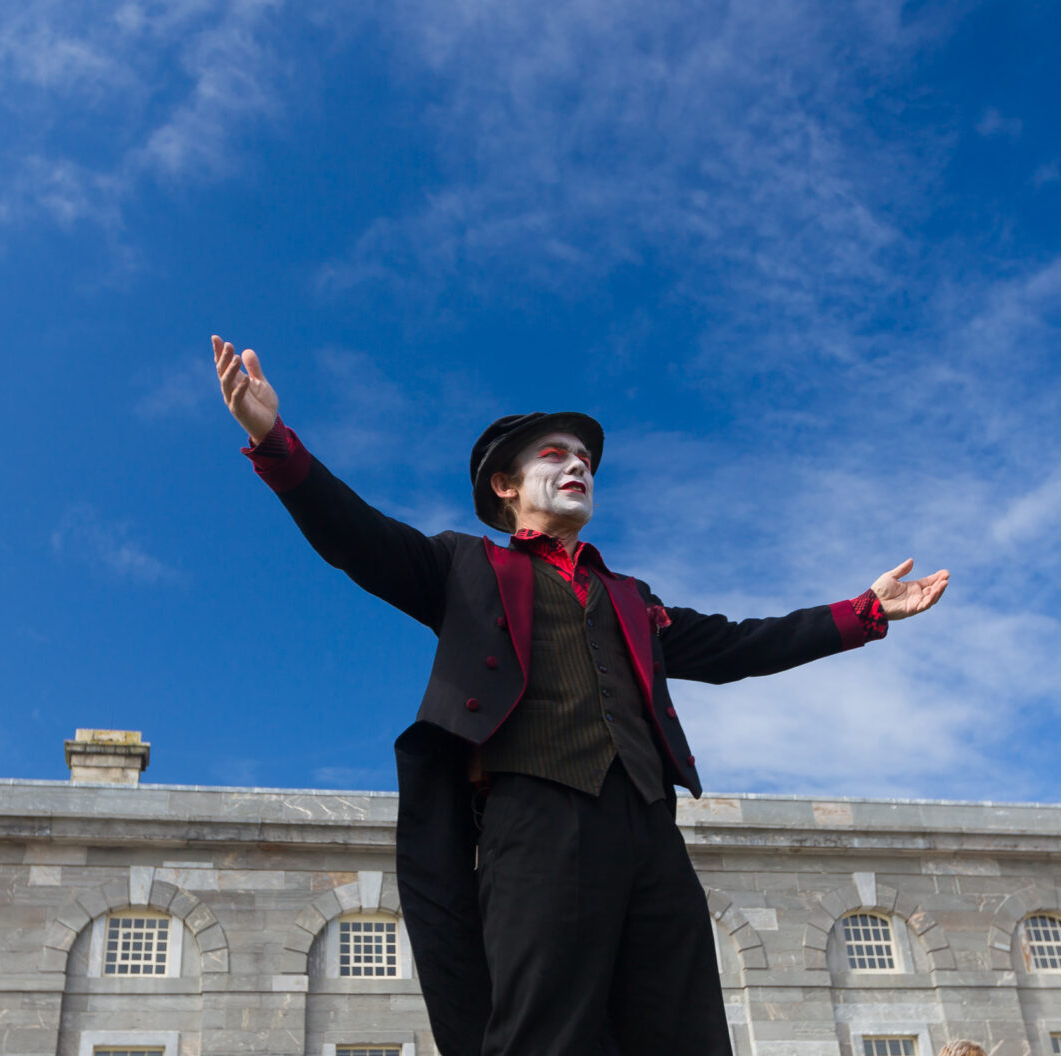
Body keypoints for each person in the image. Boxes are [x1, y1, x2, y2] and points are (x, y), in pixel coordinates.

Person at [211, 336, 950, 1056]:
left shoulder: (631, 597)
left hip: (648, 825)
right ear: (506, 486)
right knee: (544, 1033)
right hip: (533, 823)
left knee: (685, 1029)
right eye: (556, 455)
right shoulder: (462, 566)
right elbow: (357, 537)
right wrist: (274, 440)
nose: (579, 467)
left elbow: (736, 646)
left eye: (587, 460)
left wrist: (865, 612)